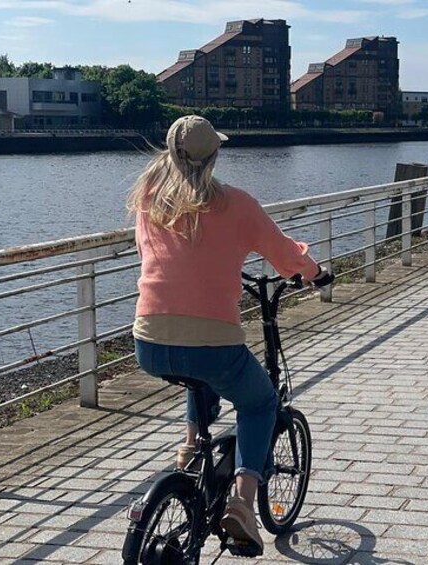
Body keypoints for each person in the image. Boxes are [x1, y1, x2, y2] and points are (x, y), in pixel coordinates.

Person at [129, 115, 330, 556]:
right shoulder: (236, 203)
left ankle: (189, 448)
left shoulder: (147, 199)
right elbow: (284, 256)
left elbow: (156, 256)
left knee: (196, 372)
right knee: (258, 402)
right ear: (215, 155)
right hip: (212, 340)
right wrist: (314, 272)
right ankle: (241, 502)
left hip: (148, 339)